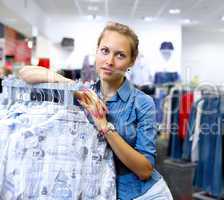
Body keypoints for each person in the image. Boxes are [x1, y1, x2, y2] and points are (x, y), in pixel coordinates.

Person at [19, 21, 173, 200]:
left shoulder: (143, 103)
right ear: (97, 51)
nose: (109, 61)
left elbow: (145, 170)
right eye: (105, 51)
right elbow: (25, 73)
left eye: (120, 55)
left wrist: (104, 125)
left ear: (132, 61)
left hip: (144, 194)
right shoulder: (82, 94)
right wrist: (71, 85)